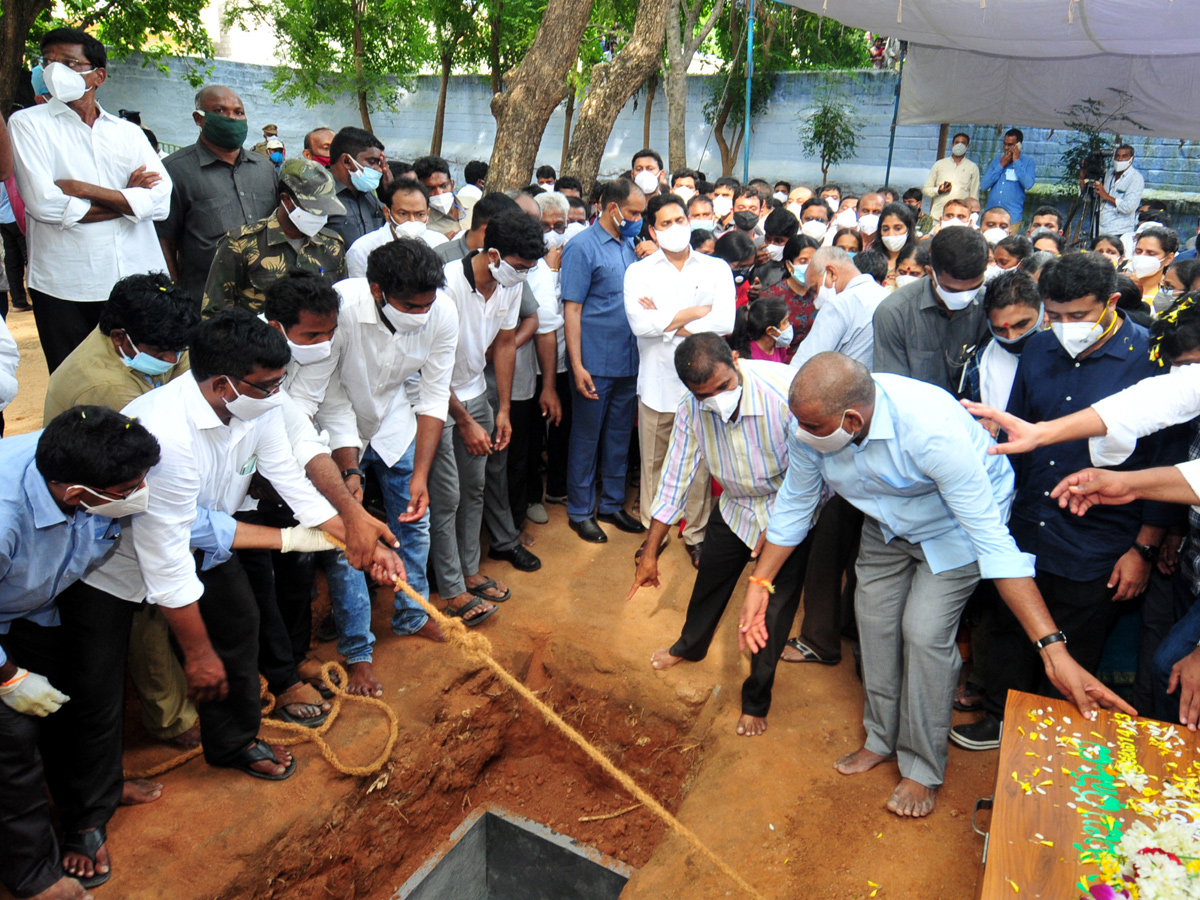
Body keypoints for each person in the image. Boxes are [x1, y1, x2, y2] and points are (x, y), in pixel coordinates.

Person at [740, 352, 1133, 818]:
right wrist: (759, 583)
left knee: (924, 634)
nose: (801, 434)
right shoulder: (813, 423)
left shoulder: (928, 431)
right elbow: (795, 503)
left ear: (851, 418)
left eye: (812, 427)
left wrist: (1053, 649)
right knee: (875, 625)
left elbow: (993, 545)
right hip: (884, 523)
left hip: (955, 529)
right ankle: (881, 739)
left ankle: (922, 769)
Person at [118, 310, 401, 785]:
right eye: (267, 385)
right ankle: (92, 805)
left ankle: (233, 742)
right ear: (223, 385)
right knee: (105, 673)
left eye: (279, 383)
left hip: (207, 539)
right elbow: (166, 562)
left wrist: (356, 535)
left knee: (240, 621)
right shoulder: (166, 434)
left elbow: (292, 482)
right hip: (129, 556)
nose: (276, 395)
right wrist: (199, 654)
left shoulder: (258, 405)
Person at [950, 252, 1173, 750]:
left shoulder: (1149, 361)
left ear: (1112, 302)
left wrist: (1142, 547)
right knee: (1011, 625)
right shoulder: (1039, 350)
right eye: (1056, 315)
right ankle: (998, 720)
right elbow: (1020, 438)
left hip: (1101, 535)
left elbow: (1166, 465)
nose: (1066, 326)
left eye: (1079, 315)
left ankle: (1049, 738)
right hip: (1030, 521)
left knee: (1076, 639)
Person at [0, 406, 162, 900]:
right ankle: (35, 877)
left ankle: (88, 802)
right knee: (11, 742)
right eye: (125, 492)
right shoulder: (5, 513)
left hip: (32, 607)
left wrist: (287, 539)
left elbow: (191, 526)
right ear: (75, 495)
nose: (138, 495)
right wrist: (7, 676)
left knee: (69, 700)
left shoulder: (82, 465)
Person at [625, 334, 811, 736]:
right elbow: (675, 477)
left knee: (771, 613)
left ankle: (756, 700)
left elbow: (810, 477)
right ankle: (689, 646)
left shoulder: (785, 395)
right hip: (735, 504)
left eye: (723, 387)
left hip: (789, 509)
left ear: (736, 360)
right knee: (710, 577)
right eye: (704, 394)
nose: (716, 399)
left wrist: (777, 529)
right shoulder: (693, 407)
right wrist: (650, 553)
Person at [9, 28, 172, 372]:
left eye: (69, 63)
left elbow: (160, 202)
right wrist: (128, 202)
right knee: (77, 386)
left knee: (143, 380)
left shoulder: (127, 133)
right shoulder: (28, 125)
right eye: (48, 62)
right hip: (65, 285)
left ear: (99, 75)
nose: (55, 71)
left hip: (136, 278)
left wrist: (83, 190)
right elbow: (44, 205)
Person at [426, 210, 544, 620]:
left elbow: (507, 343)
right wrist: (464, 419)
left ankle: (470, 572)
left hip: (477, 394)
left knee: (474, 489)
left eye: (530, 269)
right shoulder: (444, 285)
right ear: (492, 254)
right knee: (446, 497)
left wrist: (504, 409)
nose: (524, 276)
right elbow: (430, 369)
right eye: (520, 267)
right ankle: (451, 589)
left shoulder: (510, 284)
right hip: (435, 401)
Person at [623, 192, 735, 567]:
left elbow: (726, 323)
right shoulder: (638, 272)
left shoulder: (715, 268)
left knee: (701, 464)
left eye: (680, 220)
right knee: (653, 464)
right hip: (656, 384)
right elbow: (640, 324)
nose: (675, 228)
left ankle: (696, 533)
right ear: (652, 231)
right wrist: (694, 314)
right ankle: (653, 535)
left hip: (703, 387)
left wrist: (667, 321)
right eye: (666, 223)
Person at [562, 179, 646, 543]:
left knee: (617, 437)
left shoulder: (631, 246)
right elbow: (573, 310)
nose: (637, 219)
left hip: (629, 361)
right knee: (586, 438)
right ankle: (580, 511)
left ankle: (612, 505)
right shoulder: (581, 247)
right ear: (612, 208)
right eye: (633, 212)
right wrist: (578, 365)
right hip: (594, 362)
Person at [158, 85, 280, 305]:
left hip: (265, 300)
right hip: (206, 303)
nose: (231, 118)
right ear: (199, 118)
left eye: (238, 112)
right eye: (220, 111)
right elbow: (165, 241)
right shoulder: (175, 170)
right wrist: (175, 295)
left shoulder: (265, 168)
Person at [202, 158, 346, 314]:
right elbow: (215, 313)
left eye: (325, 210)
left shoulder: (333, 246)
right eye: (314, 209)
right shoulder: (241, 244)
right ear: (286, 200)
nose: (321, 216)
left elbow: (342, 305)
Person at [873, 225, 989, 394]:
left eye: (973, 288)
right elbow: (893, 391)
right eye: (953, 290)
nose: (965, 297)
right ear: (930, 272)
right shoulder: (894, 313)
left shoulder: (987, 304)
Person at [346, 178, 448, 277]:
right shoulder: (362, 250)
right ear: (387, 213)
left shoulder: (440, 244)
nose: (412, 221)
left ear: (428, 213)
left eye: (420, 214)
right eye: (403, 214)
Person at [757, 234, 820, 359]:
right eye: (803, 261)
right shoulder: (771, 297)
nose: (809, 266)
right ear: (789, 264)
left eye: (813, 261)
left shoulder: (822, 293)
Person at [326, 127, 388, 247]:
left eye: (379, 163)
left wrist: (390, 192)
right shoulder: (319, 196)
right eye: (372, 162)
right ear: (347, 161)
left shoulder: (369, 195)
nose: (379, 169)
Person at [1088, 144, 1144, 242]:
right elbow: (1092, 197)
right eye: (1117, 156)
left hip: (1118, 231)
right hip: (1099, 229)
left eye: (1124, 156)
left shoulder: (1135, 178)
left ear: (1132, 159)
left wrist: (1106, 196)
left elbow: (1129, 207)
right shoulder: (1109, 174)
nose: (1120, 159)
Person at [980, 128, 1036, 225]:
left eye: (1010, 145)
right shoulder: (997, 162)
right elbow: (984, 185)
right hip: (991, 215)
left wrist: (1017, 162)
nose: (1006, 147)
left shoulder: (1028, 162)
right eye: (1005, 144)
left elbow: (1028, 184)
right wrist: (1001, 165)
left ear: (1018, 145)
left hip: (1012, 217)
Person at [922, 133, 980, 221]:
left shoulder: (972, 167)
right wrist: (938, 191)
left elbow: (974, 197)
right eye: (957, 142)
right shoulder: (939, 164)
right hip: (938, 216)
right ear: (952, 145)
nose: (959, 145)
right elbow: (926, 189)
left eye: (963, 143)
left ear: (968, 146)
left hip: (960, 218)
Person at [1128, 225, 1178, 311]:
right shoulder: (1121, 284)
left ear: (1168, 259)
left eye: (1151, 254)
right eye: (1138, 251)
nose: (1142, 257)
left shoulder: (1170, 295)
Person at [731, 296, 790, 362]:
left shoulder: (780, 348)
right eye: (785, 322)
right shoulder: (749, 356)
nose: (789, 326)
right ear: (770, 330)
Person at [414, 155, 462, 237]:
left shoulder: (474, 204)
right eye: (430, 189)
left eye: (443, 186)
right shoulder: (424, 228)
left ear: (452, 184)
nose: (439, 193)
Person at [873, 203, 917, 287]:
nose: (891, 234)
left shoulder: (917, 261)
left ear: (908, 230)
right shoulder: (872, 261)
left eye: (898, 228)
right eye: (885, 229)